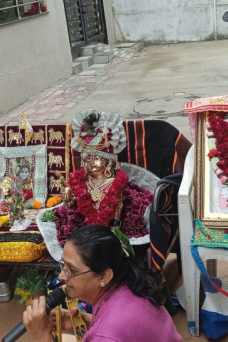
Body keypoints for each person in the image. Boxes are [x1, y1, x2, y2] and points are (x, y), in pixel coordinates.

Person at [23, 225, 182, 342]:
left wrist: (42, 336)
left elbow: (113, 331)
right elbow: (125, 329)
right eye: (63, 265)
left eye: (72, 269)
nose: (62, 276)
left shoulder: (106, 335)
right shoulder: (130, 285)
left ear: (104, 276)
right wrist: (88, 320)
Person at [53, 110, 151, 247]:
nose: (92, 162)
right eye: (88, 158)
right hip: (84, 234)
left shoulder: (116, 183)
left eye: (97, 158)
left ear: (107, 161)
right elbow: (72, 211)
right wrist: (69, 197)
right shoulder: (80, 183)